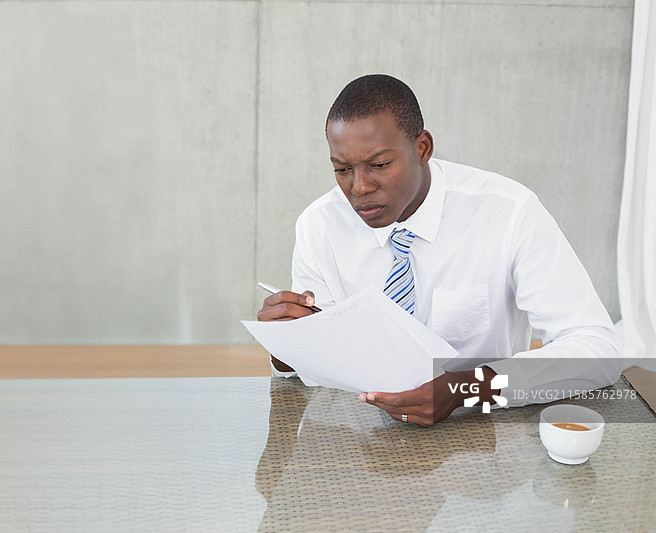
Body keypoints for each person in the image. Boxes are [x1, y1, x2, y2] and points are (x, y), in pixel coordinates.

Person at [257, 74, 622, 427]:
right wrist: (287, 350)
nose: (360, 187)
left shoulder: (508, 212)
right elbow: (322, 368)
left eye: (380, 165)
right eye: (342, 169)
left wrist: (464, 388)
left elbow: (598, 349)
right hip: (362, 443)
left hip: (480, 443)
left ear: (422, 148)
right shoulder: (319, 225)